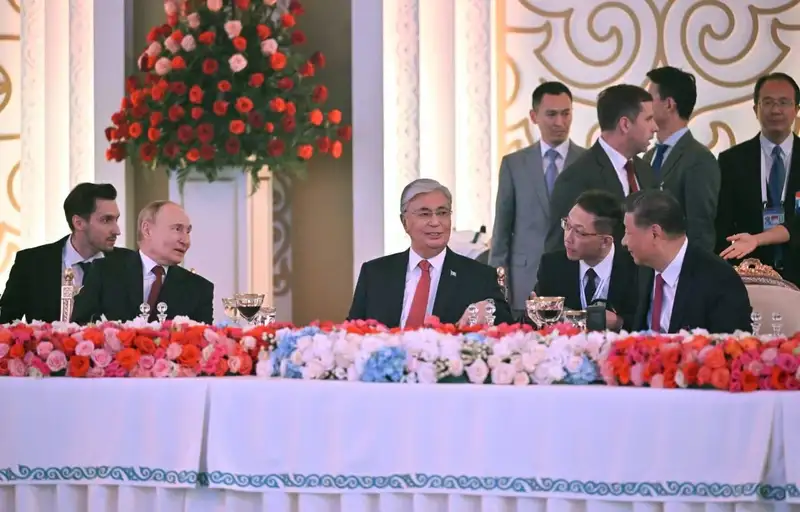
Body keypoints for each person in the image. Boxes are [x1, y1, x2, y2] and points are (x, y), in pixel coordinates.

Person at [348, 178, 513, 328]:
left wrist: (490, 310)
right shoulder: (374, 273)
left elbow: (506, 327)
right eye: (424, 214)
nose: (435, 222)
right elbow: (352, 331)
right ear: (405, 222)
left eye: (442, 213)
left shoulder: (480, 277)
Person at [489, 82, 586, 317]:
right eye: (551, 114)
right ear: (534, 116)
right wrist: (495, 288)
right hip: (523, 280)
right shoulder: (514, 164)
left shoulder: (587, 162)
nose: (560, 122)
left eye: (566, 113)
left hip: (573, 278)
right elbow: (501, 232)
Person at [546, 84, 658, 251]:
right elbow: (559, 251)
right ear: (625, 124)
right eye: (648, 119)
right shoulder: (575, 178)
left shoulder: (646, 171)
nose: (655, 127)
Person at [623, 190, 752, 334]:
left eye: (628, 233)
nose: (624, 241)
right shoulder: (643, 269)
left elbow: (733, 343)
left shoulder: (719, 279)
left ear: (655, 233)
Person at [716, 72, 800, 282]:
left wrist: (758, 239)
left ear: (796, 109)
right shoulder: (731, 160)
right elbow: (722, 224)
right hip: (748, 274)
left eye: (784, 102)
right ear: (756, 109)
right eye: (768, 102)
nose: (776, 110)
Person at [72, 200, 214, 324]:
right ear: (147, 230)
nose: (186, 241)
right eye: (177, 229)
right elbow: (81, 327)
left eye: (188, 231)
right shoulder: (104, 271)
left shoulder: (199, 289)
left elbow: (201, 341)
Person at [0, 183, 122, 323]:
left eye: (116, 219)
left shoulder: (129, 264)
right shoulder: (31, 263)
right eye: (106, 220)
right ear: (79, 223)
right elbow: (5, 324)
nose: (117, 230)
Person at [534, 190, 638, 331]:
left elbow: (644, 324)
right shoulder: (552, 266)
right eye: (567, 225)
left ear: (605, 241)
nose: (568, 238)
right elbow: (537, 324)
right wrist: (533, 312)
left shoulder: (635, 267)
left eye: (579, 232)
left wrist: (618, 323)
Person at [644, 66, 720, 251]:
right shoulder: (648, 156)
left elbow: (700, 230)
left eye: (649, 99)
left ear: (669, 104)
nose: (644, 107)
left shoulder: (699, 159)